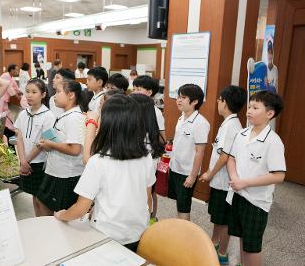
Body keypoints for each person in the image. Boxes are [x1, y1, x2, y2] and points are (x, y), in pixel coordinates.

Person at [55, 94, 155, 253]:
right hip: (138, 233)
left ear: (108, 124)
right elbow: (147, 198)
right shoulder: (146, 157)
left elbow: (81, 209)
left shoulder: (98, 162)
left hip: (107, 236)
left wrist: (62, 215)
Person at [226, 91, 285, 266]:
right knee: (242, 240)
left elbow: (279, 175)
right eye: (249, 106)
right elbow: (231, 158)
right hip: (238, 195)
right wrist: (235, 177)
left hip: (256, 202)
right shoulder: (242, 134)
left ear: (269, 114)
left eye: (255, 107)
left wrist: (244, 182)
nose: (249, 110)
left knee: (252, 247)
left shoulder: (273, 141)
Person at [198, 85, 247, 265]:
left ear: (225, 103)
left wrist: (210, 173)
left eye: (219, 99)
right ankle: (214, 243)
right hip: (220, 181)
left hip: (224, 182)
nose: (217, 102)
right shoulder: (229, 123)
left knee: (225, 219)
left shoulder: (231, 126)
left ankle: (223, 253)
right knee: (219, 216)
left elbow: (225, 156)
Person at [38, 80, 85, 214]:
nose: (54, 96)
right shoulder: (66, 115)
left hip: (66, 175)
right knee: (42, 201)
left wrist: (50, 144)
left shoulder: (74, 118)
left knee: (60, 212)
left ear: (71, 95)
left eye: (59, 92)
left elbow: (75, 150)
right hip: (56, 170)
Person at [14, 78, 56, 217]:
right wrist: (22, 161)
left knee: (42, 199)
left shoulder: (49, 116)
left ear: (43, 95)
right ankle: (38, 224)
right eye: (27, 91)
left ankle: (48, 228)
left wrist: (26, 160)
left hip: (41, 164)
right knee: (34, 196)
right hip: (26, 162)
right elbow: (19, 137)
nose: (29, 95)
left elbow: (43, 142)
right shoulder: (23, 113)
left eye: (34, 92)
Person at [168, 84, 210, 221]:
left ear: (195, 101)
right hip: (175, 168)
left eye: (183, 97)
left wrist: (192, 176)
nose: (178, 100)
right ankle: (180, 231)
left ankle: (184, 238)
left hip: (186, 173)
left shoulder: (201, 123)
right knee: (179, 205)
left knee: (184, 207)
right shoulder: (181, 117)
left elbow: (200, 152)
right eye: (178, 97)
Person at [129, 93, 165, 224]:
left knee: (144, 198)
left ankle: (147, 221)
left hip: (141, 179)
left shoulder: (143, 135)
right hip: (145, 178)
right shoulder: (149, 131)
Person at [133, 75, 166, 140]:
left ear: (149, 92)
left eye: (138, 89)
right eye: (134, 89)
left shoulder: (156, 112)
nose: (134, 92)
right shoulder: (132, 108)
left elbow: (162, 138)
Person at [0, 64, 24, 143]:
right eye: (16, 70)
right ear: (11, 70)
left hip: (6, 100)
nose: (17, 71)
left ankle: (10, 130)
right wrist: (16, 95)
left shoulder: (11, 77)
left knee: (7, 115)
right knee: (4, 115)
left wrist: (19, 92)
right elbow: (10, 88)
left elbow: (15, 87)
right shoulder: (5, 76)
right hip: (2, 98)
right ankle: (8, 132)